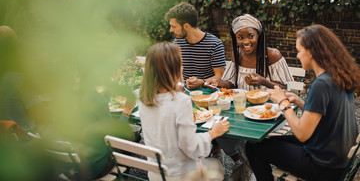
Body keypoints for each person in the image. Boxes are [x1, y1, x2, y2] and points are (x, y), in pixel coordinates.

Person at [245, 24, 360, 181]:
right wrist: (298, 101)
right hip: (336, 156)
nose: (298, 56)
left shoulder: (321, 84)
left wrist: (283, 102)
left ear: (311, 52)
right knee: (263, 142)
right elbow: (322, 116)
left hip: (322, 166)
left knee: (253, 147)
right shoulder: (338, 76)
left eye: (299, 51)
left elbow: (302, 133)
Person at [139, 42, 229, 181]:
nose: (183, 68)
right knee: (216, 165)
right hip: (182, 175)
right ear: (172, 70)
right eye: (180, 64)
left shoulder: (143, 97)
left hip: (156, 173)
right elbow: (191, 148)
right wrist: (213, 133)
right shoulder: (181, 101)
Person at [207, 14, 293, 90]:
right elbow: (231, 83)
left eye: (251, 36)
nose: (246, 42)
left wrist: (263, 81)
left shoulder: (272, 55)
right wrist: (217, 82)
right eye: (240, 38)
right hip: (243, 105)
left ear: (258, 35)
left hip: (269, 106)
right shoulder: (237, 54)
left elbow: (284, 87)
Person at [165, 2, 226, 89]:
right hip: (184, 93)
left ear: (186, 26)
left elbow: (218, 77)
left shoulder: (215, 44)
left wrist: (201, 82)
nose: (171, 30)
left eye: (173, 27)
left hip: (208, 95)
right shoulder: (177, 43)